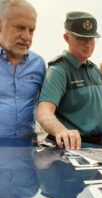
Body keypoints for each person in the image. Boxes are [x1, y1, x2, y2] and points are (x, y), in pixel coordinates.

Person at [36, 11, 102, 150]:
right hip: (74, 148)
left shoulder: (95, 70)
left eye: (92, 39)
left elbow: (101, 108)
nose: (88, 45)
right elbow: (43, 112)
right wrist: (61, 131)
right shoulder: (59, 70)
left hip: (101, 147)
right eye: (82, 39)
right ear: (67, 37)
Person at [0, 0, 46, 140]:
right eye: (20, 28)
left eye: (31, 30)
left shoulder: (39, 64)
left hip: (27, 151)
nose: (26, 37)